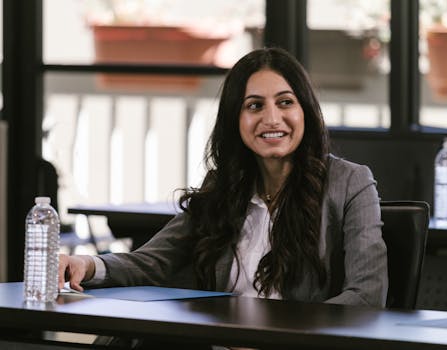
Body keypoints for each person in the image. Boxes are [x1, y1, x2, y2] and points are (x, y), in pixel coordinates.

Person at [59, 47, 388, 307]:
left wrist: (285, 340)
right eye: (254, 106)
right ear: (236, 119)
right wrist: (87, 265)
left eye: (285, 102)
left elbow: (366, 295)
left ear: (306, 111)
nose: (272, 118)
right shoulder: (223, 187)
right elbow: (152, 262)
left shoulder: (350, 184)